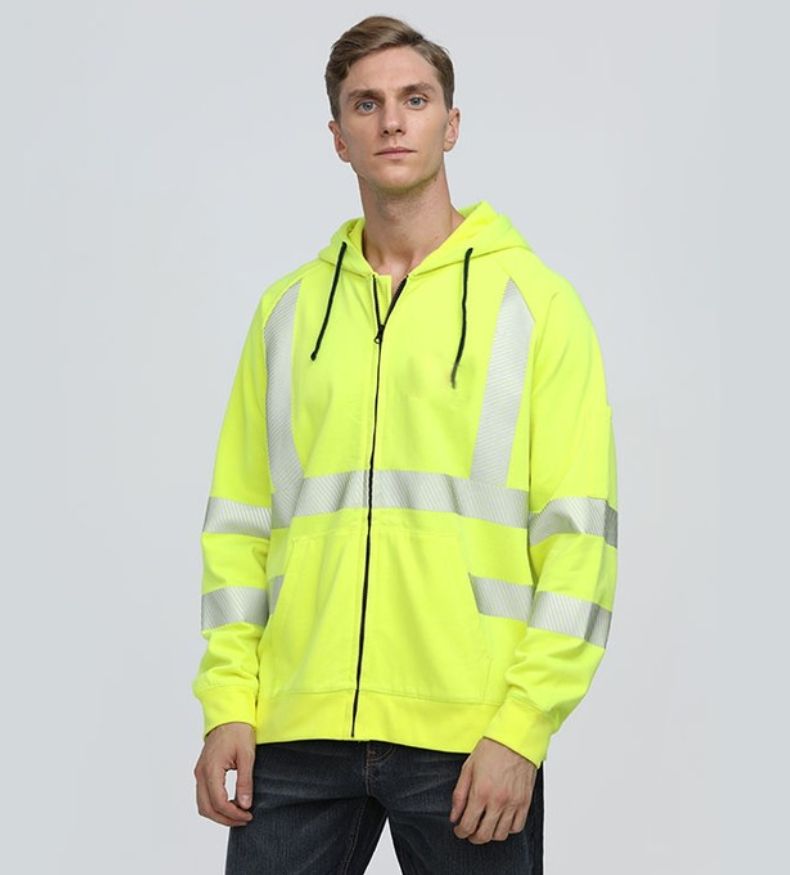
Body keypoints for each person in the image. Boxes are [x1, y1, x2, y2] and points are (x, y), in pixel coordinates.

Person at [192, 14, 618, 874]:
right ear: (338, 137)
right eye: (367, 104)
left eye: (415, 100)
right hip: (297, 731)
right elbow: (239, 529)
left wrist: (523, 727)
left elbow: (580, 542)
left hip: (469, 739)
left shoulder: (537, 305)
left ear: (450, 124)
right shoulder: (287, 313)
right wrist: (228, 701)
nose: (392, 121)